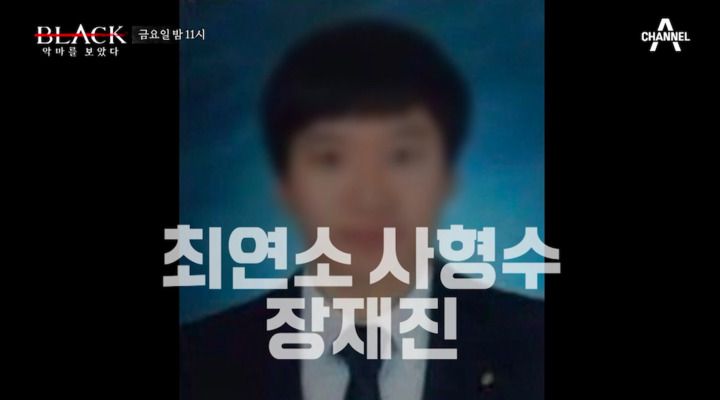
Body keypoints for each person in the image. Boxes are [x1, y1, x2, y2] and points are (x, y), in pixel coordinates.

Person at [180, 19, 543, 400]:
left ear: (446, 177)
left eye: (402, 156)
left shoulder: (534, 346)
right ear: (285, 185)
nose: (369, 196)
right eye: (331, 158)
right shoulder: (198, 363)